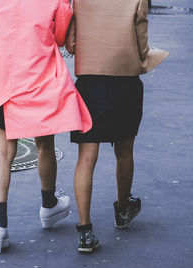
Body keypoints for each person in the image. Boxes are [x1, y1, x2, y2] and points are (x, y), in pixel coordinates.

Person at [0, 0, 92, 253]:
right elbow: (61, 38)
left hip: (4, 80)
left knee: (4, 152)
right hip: (39, 80)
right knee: (44, 145)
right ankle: (48, 205)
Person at [66, 0, 169, 253]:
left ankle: (85, 232)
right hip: (125, 82)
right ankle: (123, 209)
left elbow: (70, 45)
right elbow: (142, 44)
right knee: (124, 153)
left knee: (86, 158)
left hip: (89, 83)